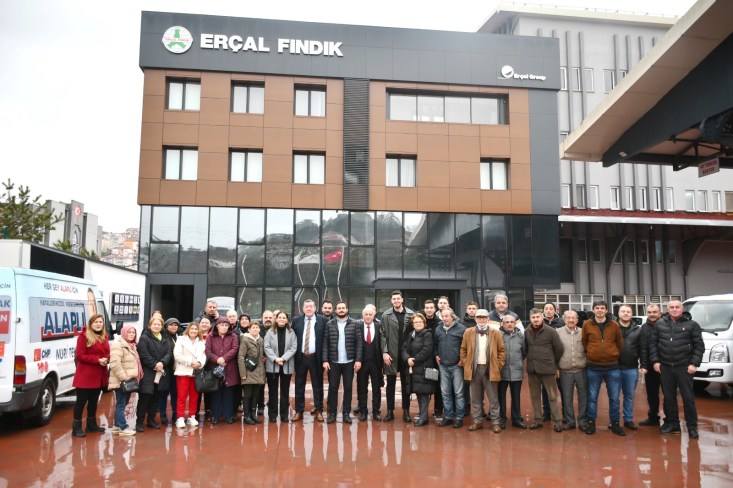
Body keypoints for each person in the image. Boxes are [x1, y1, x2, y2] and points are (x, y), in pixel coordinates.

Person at [650, 300, 704, 439]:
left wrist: (694, 363)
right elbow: (653, 344)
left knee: (688, 399)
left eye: (677, 307)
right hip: (666, 367)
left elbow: (699, 346)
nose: (674, 309)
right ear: (667, 309)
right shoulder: (660, 324)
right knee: (669, 399)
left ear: (682, 308)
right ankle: (674, 425)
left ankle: (692, 427)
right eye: (671, 307)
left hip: (684, 367)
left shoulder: (692, 325)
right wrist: (656, 361)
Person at [582, 300, 624, 436]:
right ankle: (591, 423)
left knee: (614, 398)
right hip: (593, 367)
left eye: (602, 308)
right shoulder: (587, 325)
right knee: (592, 397)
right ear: (593, 310)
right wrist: (592, 353)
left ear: (606, 310)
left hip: (612, 367)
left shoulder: (614, 325)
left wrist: (613, 353)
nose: (599, 310)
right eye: (597, 308)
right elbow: (584, 342)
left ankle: (615, 423)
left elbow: (619, 343)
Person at [460, 308, 505, 433]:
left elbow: (502, 351)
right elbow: (463, 349)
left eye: (484, 317)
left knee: (493, 398)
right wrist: (466, 363)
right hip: (474, 370)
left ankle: (496, 422)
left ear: (488, 319)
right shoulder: (468, 332)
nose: (481, 320)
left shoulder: (496, 333)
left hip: (490, 369)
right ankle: (477, 421)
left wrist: (498, 365)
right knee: (475, 398)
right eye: (479, 317)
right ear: (475, 319)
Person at [323, 301, 362, 424]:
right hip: (333, 362)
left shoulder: (354, 324)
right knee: (333, 388)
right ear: (335, 310)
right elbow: (325, 343)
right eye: (339, 308)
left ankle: (346, 413)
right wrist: (325, 360)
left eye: (343, 308)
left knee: (348, 388)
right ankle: (332, 413)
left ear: (347, 309)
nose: (341, 310)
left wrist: (358, 360)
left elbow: (359, 343)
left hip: (349, 362)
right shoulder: (329, 324)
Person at [71, 314, 110, 437]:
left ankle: (91, 425)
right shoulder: (83, 336)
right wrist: (97, 360)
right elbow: (80, 355)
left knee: (94, 402)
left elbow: (108, 352)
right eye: (96, 322)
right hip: (85, 376)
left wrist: (106, 359)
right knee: (81, 402)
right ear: (91, 324)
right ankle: (76, 427)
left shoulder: (104, 336)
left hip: (99, 375)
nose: (98, 324)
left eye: (100, 322)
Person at [380, 290, 413, 422]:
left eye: (398, 298)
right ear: (391, 301)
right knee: (390, 384)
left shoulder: (411, 314)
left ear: (402, 299)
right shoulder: (386, 315)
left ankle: (406, 411)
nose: (396, 301)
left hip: (406, 355)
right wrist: (385, 352)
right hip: (391, 354)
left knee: (406, 384)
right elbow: (382, 334)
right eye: (394, 299)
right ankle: (390, 411)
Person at [291, 299, 327, 422]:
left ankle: (319, 410)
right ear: (303, 308)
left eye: (311, 306)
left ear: (315, 308)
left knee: (318, 385)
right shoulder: (296, 321)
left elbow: (326, 340)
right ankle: (299, 411)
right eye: (306, 307)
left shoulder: (323, 320)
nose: (309, 308)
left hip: (316, 358)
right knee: (299, 385)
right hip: (301, 357)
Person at [136, 315, 172, 432]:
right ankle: (139, 422)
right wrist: (155, 364)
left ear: (162, 326)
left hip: (161, 372)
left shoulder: (165, 338)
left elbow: (169, 353)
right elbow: (143, 354)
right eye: (154, 324)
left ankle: (151, 420)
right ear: (150, 325)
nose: (157, 326)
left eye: (159, 324)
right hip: (148, 372)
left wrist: (162, 363)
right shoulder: (144, 338)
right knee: (145, 398)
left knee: (156, 398)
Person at [434, 307, 466, 428]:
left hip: (457, 366)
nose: (444, 318)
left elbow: (466, 346)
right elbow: (435, 344)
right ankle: (448, 416)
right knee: (445, 392)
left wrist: (463, 359)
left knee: (458, 393)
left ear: (452, 316)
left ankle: (459, 417)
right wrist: (436, 354)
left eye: (447, 316)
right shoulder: (438, 329)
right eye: (443, 316)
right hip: (443, 366)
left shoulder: (461, 329)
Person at [402, 313, 435, 427]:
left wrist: (414, 360)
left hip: (424, 367)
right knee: (418, 392)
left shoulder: (427, 334)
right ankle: (422, 415)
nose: (418, 324)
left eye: (420, 322)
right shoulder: (410, 334)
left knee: (424, 393)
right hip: (414, 368)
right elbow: (404, 348)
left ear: (424, 323)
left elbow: (427, 350)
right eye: (416, 322)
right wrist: (407, 358)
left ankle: (424, 418)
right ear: (412, 324)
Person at [557, 310, 588, 431]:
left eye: (573, 318)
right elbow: (554, 351)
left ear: (577, 320)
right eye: (568, 318)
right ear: (564, 320)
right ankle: (570, 421)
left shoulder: (583, 332)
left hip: (581, 369)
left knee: (583, 397)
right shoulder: (557, 332)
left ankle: (583, 421)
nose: (571, 320)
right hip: (565, 370)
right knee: (567, 397)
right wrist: (556, 368)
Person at [264, 311, 297, 423]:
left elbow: (293, 347)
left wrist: (283, 358)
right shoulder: (270, 332)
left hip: (286, 365)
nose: (282, 319)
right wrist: (276, 359)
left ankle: (284, 415)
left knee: (285, 391)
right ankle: (272, 414)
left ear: (287, 320)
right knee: (272, 391)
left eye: (284, 318)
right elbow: (266, 346)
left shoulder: (291, 332)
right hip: (272, 365)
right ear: (276, 319)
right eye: (280, 317)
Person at [206, 318, 240, 424]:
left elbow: (235, 348)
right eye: (222, 325)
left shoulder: (233, 336)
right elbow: (207, 350)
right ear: (217, 326)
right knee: (216, 392)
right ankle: (215, 415)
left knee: (228, 392)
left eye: (226, 325)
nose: (224, 327)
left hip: (230, 367)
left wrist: (224, 358)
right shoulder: (210, 336)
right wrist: (217, 359)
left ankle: (228, 415)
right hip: (214, 367)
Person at [109, 324, 141, 436]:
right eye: (129, 332)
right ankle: (123, 427)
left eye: (133, 332)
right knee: (121, 404)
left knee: (123, 403)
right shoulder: (118, 345)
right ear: (123, 333)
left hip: (128, 380)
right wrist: (124, 378)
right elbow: (115, 364)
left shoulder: (132, 346)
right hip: (121, 381)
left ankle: (117, 426)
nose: (131, 334)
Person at [173, 321, 206, 428]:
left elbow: (203, 356)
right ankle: (180, 417)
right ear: (188, 330)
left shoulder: (201, 342)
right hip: (183, 371)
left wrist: (199, 363)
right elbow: (177, 355)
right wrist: (191, 361)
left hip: (196, 372)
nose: (194, 331)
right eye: (192, 329)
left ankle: (192, 416)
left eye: (196, 329)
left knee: (194, 396)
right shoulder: (181, 340)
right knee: (182, 396)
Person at [639, 304, 666, 426]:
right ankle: (653, 417)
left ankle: (668, 419)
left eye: (655, 312)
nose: (652, 314)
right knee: (652, 394)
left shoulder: (667, 325)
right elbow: (643, 348)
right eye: (649, 312)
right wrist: (644, 365)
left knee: (668, 394)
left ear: (660, 313)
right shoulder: (644, 328)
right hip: (650, 366)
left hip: (665, 365)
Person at [498, 315, 527, 430]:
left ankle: (516, 419)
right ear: (503, 324)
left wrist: (517, 361)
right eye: (507, 322)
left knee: (516, 396)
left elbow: (524, 352)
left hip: (516, 371)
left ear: (515, 324)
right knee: (501, 396)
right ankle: (502, 418)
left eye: (512, 322)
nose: (509, 324)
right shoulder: (498, 335)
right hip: (501, 371)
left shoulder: (521, 336)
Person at [356, 304, 383, 421]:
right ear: (362, 315)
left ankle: (376, 411)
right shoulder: (358, 326)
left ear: (374, 315)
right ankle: (363, 411)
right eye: (366, 314)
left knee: (376, 388)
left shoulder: (379, 326)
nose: (368, 316)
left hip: (376, 363)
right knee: (362, 388)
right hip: (362, 363)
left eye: (370, 314)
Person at [618, 304, 642, 430]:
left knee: (629, 396)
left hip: (631, 368)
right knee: (614, 396)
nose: (625, 313)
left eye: (628, 311)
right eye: (623, 311)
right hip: (614, 368)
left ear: (632, 314)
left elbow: (642, 348)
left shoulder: (638, 329)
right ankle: (614, 420)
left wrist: (643, 364)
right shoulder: (612, 327)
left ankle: (628, 419)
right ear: (619, 313)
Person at [238, 321, 265, 425]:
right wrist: (243, 373)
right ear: (249, 329)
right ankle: (247, 415)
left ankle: (253, 414)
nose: (255, 329)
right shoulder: (245, 340)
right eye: (253, 327)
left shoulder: (261, 340)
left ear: (259, 329)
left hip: (259, 372)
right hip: (249, 371)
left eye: (257, 327)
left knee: (255, 394)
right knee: (248, 394)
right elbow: (241, 357)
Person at [540, 302, 563, 421]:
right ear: (543, 311)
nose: (548, 310)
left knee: (562, 388)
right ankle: (547, 412)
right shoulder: (540, 323)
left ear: (555, 310)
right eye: (546, 308)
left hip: (560, 360)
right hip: (545, 361)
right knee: (545, 389)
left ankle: (565, 413)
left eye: (551, 308)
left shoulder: (561, 322)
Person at [423, 300, 444, 420]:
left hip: (435, 360)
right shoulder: (421, 321)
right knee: (425, 385)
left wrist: (436, 354)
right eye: (427, 307)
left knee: (437, 386)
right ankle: (423, 412)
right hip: (423, 359)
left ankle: (438, 410)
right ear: (424, 309)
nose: (429, 309)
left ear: (435, 309)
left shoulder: (439, 323)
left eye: (431, 307)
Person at [158, 317, 180, 425]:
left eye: (175, 325)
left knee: (175, 394)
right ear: (166, 326)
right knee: (163, 393)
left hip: (176, 371)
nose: (173, 327)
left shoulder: (180, 337)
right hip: (165, 370)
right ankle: (162, 414)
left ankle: (176, 414)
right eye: (171, 325)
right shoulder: (162, 337)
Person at [257, 310, 275, 416]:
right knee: (260, 386)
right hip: (260, 363)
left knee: (273, 386)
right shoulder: (258, 329)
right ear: (262, 318)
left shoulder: (276, 330)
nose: (268, 319)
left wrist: (270, 357)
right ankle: (260, 406)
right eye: (266, 317)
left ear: (273, 318)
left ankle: (272, 405)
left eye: (270, 317)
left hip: (273, 362)